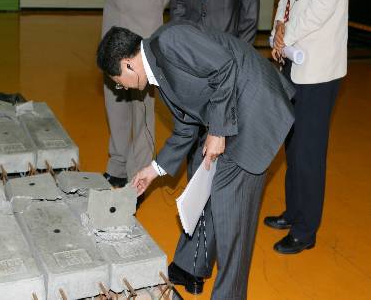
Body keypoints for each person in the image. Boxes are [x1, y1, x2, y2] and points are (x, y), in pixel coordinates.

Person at [96, 22, 295, 300]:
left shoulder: (169, 41)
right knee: (224, 208)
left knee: (232, 217)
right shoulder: (158, 72)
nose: (120, 87)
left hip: (255, 109)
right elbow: (186, 126)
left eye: (117, 81)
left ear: (128, 64)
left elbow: (225, 66)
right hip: (236, 114)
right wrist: (153, 170)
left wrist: (217, 130)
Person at [167, 0, 259, 291]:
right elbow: (182, 6)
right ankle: (192, 261)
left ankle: (207, 263)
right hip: (196, 78)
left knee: (219, 177)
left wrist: (226, 74)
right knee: (197, 169)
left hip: (231, 77)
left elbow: (250, 18)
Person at [265, 0, 351, 254]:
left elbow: (320, 5)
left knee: (309, 150)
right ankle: (292, 211)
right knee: (293, 143)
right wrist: (276, 33)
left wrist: (288, 34)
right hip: (294, 59)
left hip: (318, 69)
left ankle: (305, 230)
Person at [95, 0, 178, 187]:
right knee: (114, 96)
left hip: (146, 27)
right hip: (113, 22)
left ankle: (137, 175)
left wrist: (149, 11)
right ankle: (117, 163)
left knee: (143, 104)